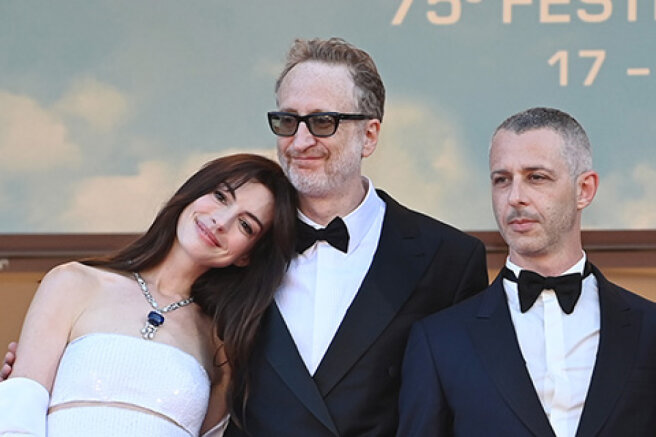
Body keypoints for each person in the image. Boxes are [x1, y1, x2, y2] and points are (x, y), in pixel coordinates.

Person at [223, 38, 489, 437]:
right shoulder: (238, 244)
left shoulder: (449, 259)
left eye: (322, 122)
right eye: (287, 120)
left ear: (370, 135)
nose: (299, 141)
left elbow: (464, 410)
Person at [397, 107, 656, 436]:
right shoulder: (440, 341)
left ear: (585, 189)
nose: (515, 197)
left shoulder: (649, 330)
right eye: (502, 180)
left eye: (536, 177)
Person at [0, 154, 298, 436]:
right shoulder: (73, 282)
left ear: (247, 256)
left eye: (245, 225)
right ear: (193, 194)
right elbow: (19, 414)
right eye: (220, 196)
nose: (221, 221)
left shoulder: (220, 343)